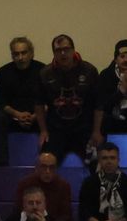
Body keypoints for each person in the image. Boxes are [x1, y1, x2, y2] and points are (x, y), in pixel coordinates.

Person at [36, 34, 99, 165]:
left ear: (73, 50)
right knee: (45, 163)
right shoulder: (45, 74)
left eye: (66, 49)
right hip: (56, 130)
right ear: (53, 53)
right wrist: (43, 130)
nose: (63, 53)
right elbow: (38, 103)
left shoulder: (89, 71)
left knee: (97, 164)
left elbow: (98, 104)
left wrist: (96, 131)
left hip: (84, 130)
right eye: (58, 50)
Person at [0, 36, 45, 166]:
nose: (20, 57)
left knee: (54, 117)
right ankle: (1, 165)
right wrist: (18, 115)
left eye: (24, 53)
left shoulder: (43, 70)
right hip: (13, 117)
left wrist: (35, 116)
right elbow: (0, 102)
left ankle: (47, 162)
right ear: (12, 55)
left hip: (38, 117)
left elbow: (49, 101)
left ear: (31, 53)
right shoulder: (3, 72)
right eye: (16, 54)